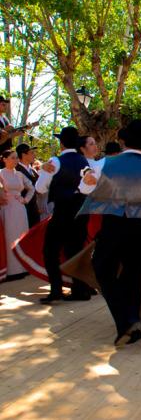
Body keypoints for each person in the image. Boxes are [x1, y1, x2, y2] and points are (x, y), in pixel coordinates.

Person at [78, 119, 141, 345]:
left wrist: (87, 179)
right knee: (132, 275)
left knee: (103, 269)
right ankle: (133, 321)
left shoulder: (104, 163)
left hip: (114, 227)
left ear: (123, 141)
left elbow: (85, 187)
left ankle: (126, 321)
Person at [35, 126, 92, 303]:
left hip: (62, 212)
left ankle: (56, 289)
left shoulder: (55, 161)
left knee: (50, 251)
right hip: (81, 213)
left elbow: (40, 188)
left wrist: (42, 171)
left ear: (61, 143)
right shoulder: (85, 162)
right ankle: (80, 289)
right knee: (75, 251)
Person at [0, 149, 34, 280]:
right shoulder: (1, 173)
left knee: (22, 236)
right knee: (9, 236)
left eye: (16, 158)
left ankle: (23, 268)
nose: (16, 160)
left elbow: (31, 187)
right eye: (13, 158)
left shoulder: (19, 174)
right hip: (6, 208)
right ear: (4, 159)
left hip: (20, 208)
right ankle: (11, 271)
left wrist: (25, 200)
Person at [15, 143, 40, 227]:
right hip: (22, 210)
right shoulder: (15, 170)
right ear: (23, 155)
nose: (34, 155)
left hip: (34, 210)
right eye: (31, 153)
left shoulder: (33, 171)